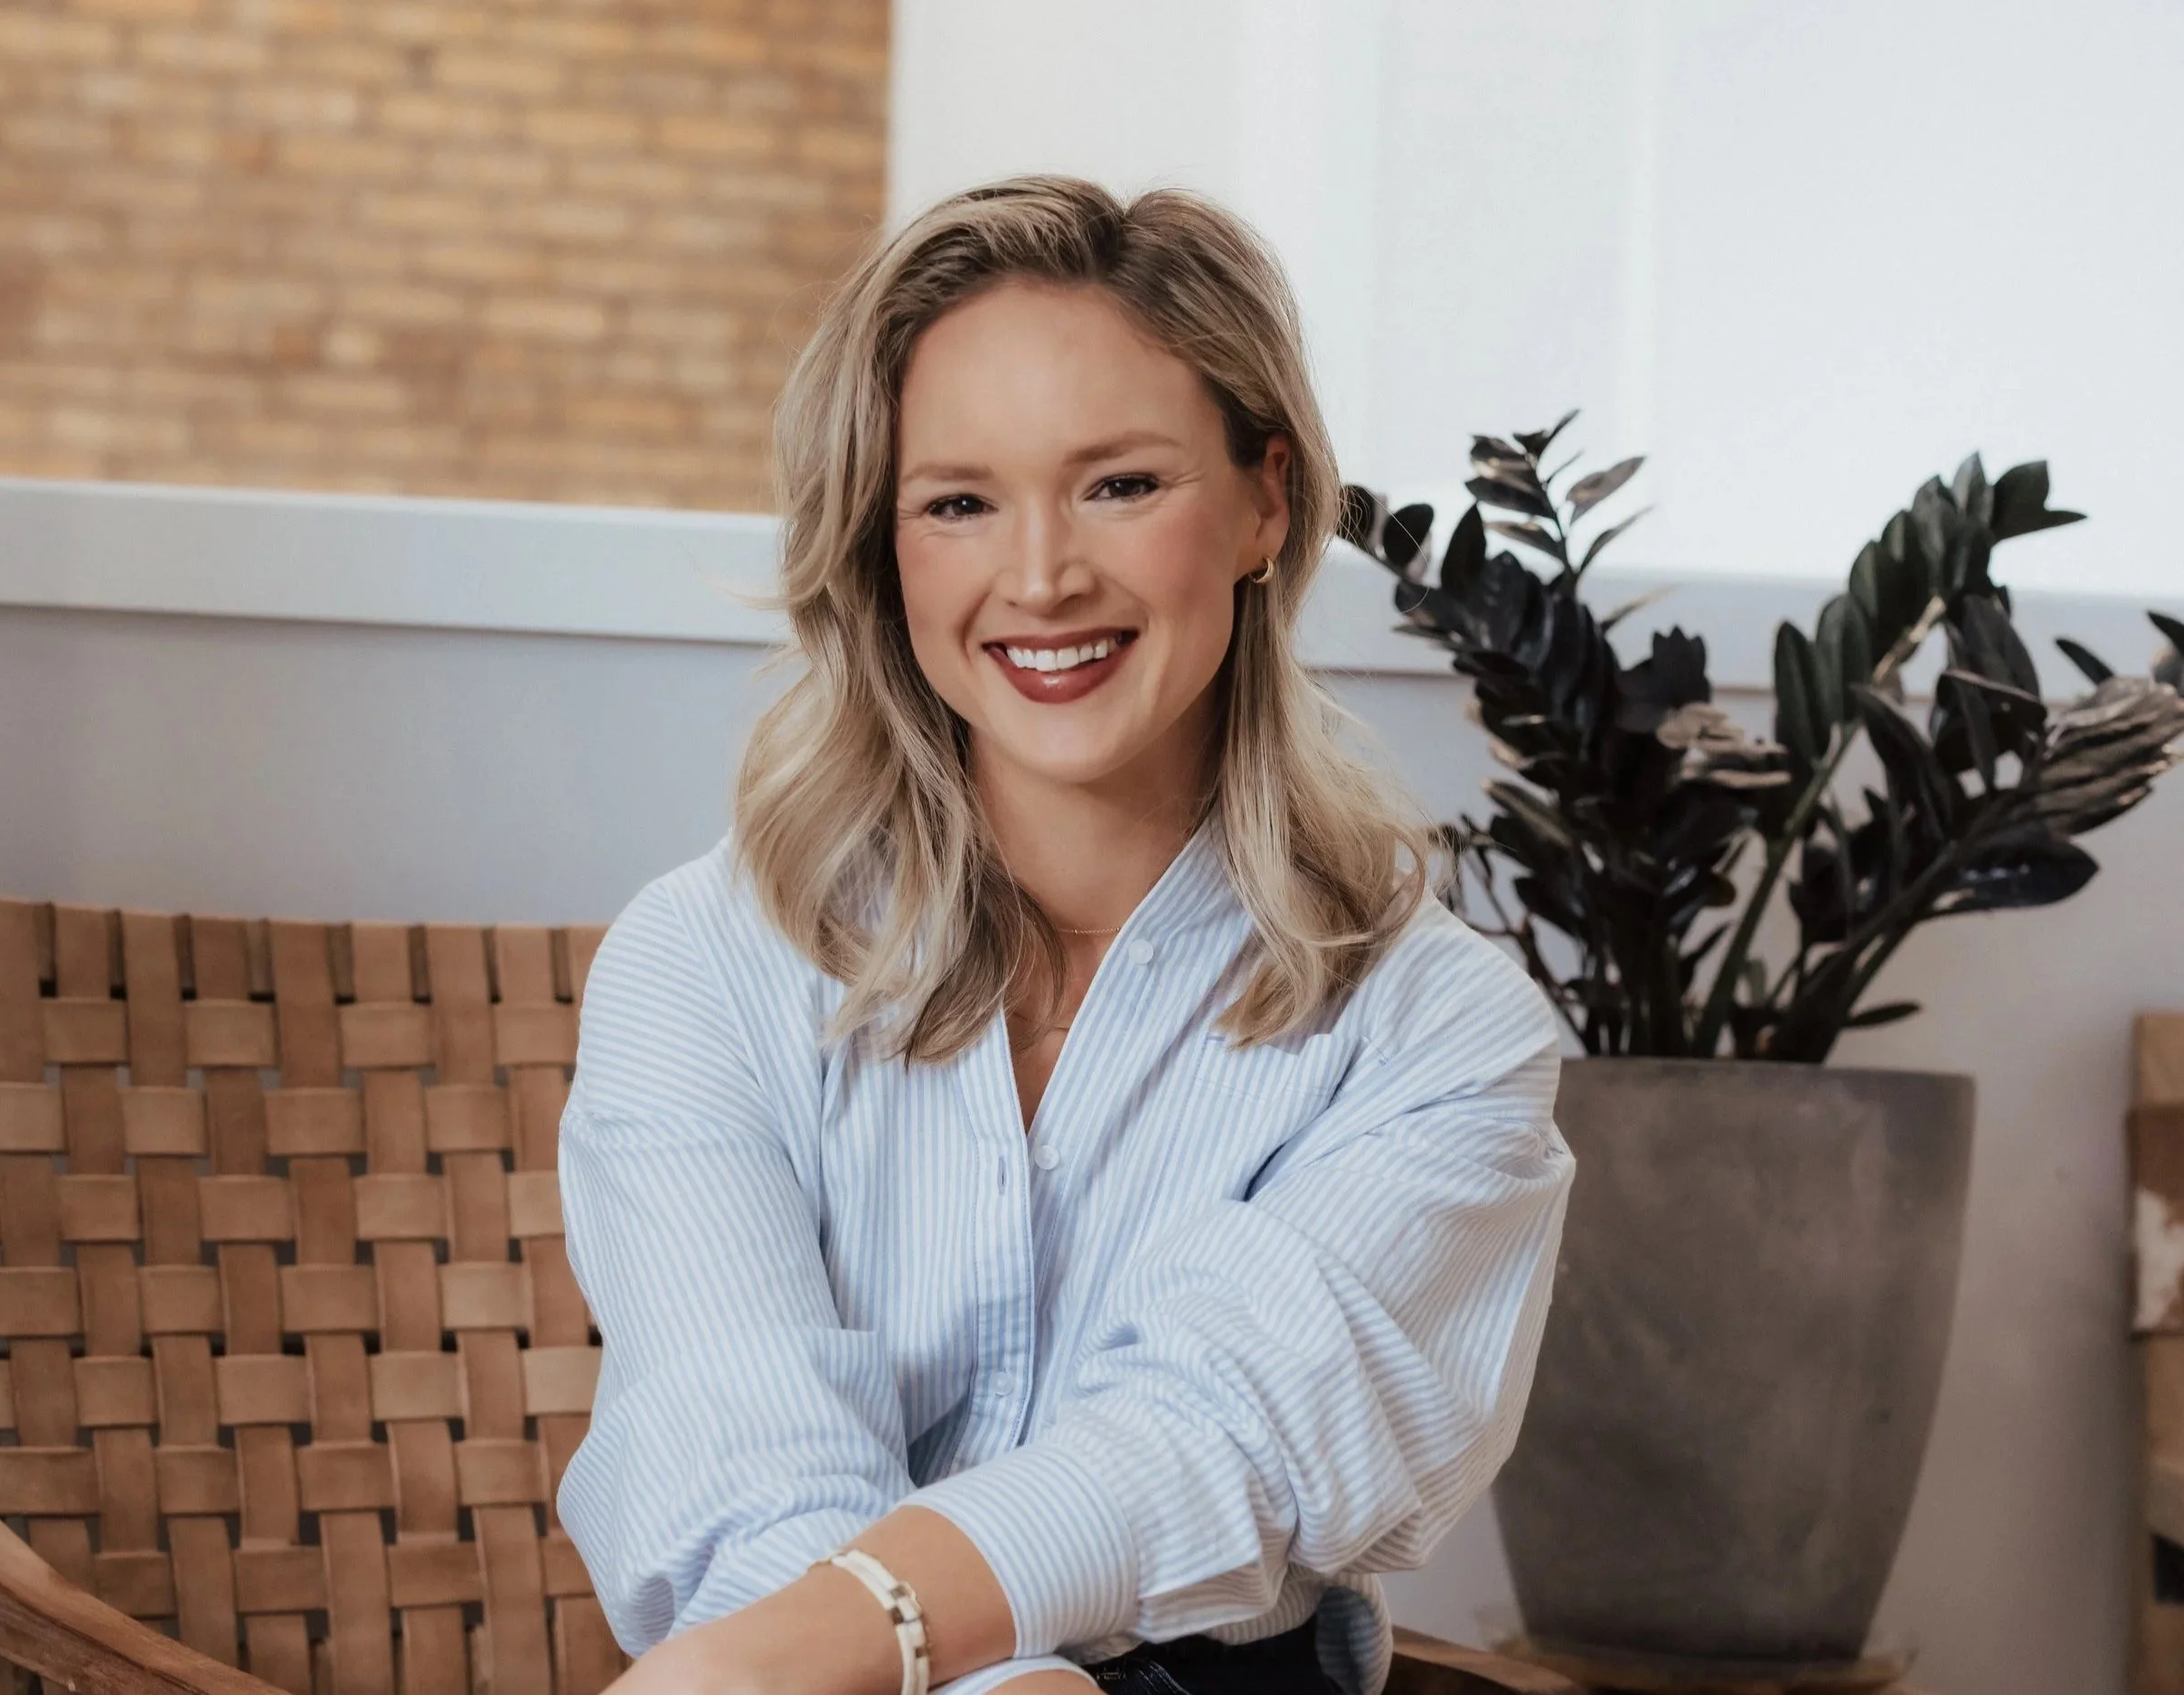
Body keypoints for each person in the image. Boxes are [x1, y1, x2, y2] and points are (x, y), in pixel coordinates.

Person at [554, 175, 1576, 1695]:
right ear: (884, 547)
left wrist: (881, 1651)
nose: (1040, 577)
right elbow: (737, 1451)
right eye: (958, 501)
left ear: (1264, 501)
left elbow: (1213, 1442)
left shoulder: (1441, 1035)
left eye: (1120, 484)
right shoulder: (703, 962)